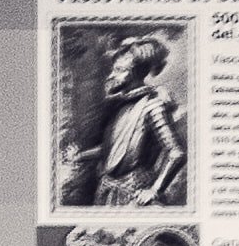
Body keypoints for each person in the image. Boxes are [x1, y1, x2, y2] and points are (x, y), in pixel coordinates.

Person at [71, 34, 188, 208]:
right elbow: (112, 151)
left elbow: (176, 153)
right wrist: (80, 155)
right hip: (107, 190)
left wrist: (155, 190)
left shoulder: (152, 106)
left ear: (134, 73)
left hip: (132, 193)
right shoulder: (121, 105)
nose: (112, 75)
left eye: (119, 70)